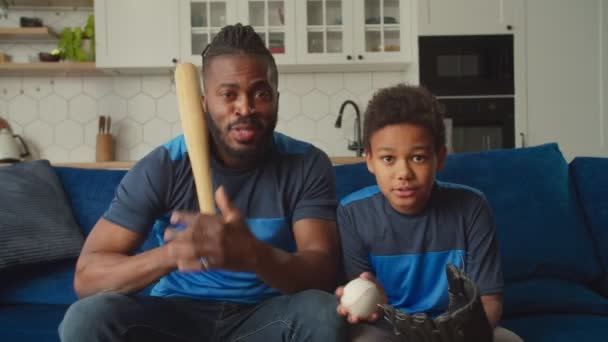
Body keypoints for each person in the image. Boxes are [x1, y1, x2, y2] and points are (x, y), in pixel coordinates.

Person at [59, 23, 347, 342]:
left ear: (276, 98)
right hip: (175, 317)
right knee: (87, 318)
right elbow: (87, 277)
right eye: (228, 94)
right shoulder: (164, 166)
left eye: (260, 93)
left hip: (264, 315)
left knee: (322, 312)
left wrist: (253, 254)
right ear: (204, 103)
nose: (245, 108)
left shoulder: (306, 164)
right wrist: (173, 254)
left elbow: (322, 270)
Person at [334, 84, 523, 341]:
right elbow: (364, 305)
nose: (404, 174)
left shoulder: (472, 207)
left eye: (418, 158)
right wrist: (373, 301)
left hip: (458, 331)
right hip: (390, 331)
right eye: (388, 159)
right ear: (369, 160)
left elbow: (489, 300)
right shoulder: (352, 213)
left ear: (440, 158)